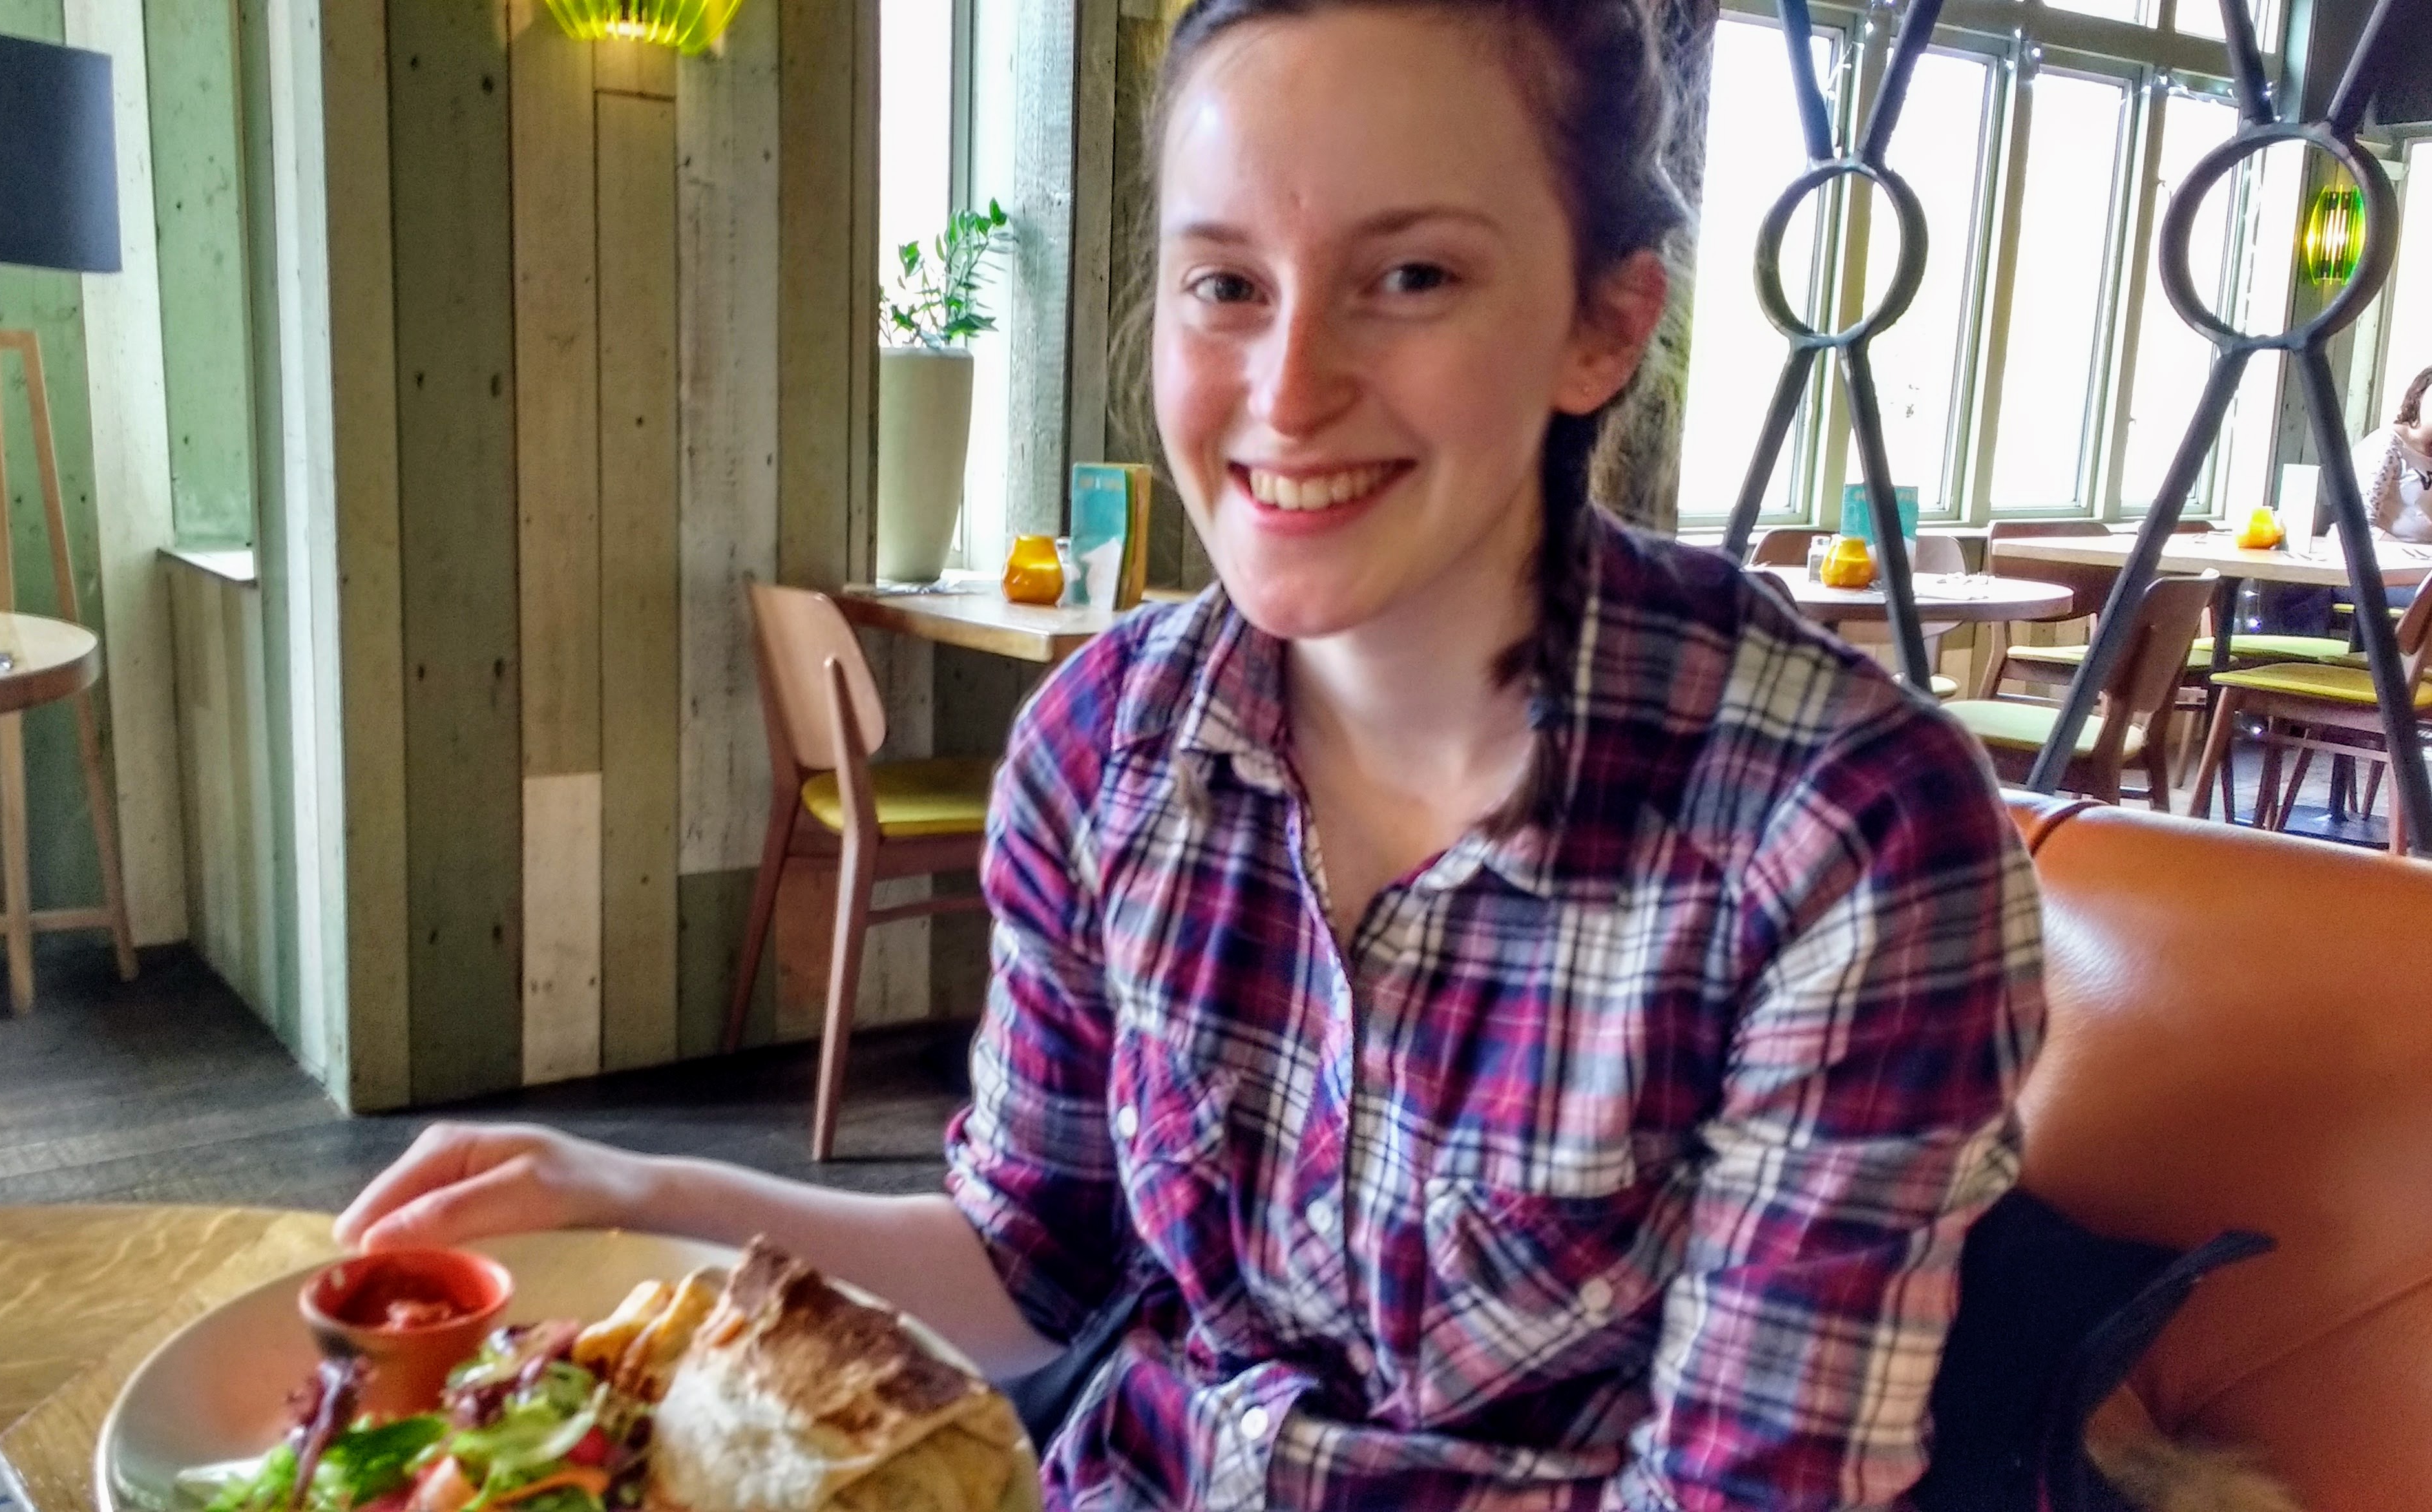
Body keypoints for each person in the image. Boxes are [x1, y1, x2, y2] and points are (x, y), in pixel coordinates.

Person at [337, 0, 2046, 1505]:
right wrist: (639, 1187)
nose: (1286, 392)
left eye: (1412, 277)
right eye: (1225, 284)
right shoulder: (1105, 747)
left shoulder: (1847, 834)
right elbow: (1036, 1267)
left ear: (1603, 325)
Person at [2360, 364, 2432, 547]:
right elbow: (2359, 525)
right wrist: (2410, 555)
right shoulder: (2389, 443)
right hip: (2390, 557)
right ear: (2420, 396)